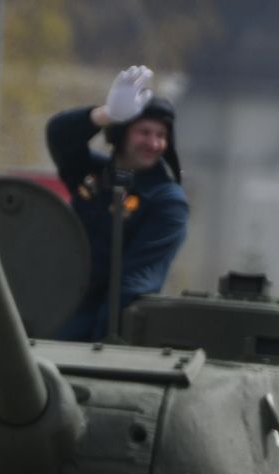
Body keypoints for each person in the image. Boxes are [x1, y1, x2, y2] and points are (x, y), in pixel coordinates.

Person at [46, 66, 188, 342]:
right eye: (143, 132)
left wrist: (100, 344)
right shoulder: (94, 176)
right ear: (121, 134)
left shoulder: (167, 203)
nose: (153, 143)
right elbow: (59, 136)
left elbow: (133, 284)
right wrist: (105, 115)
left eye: (161, 135)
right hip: (55, 305)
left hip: (100, 327)